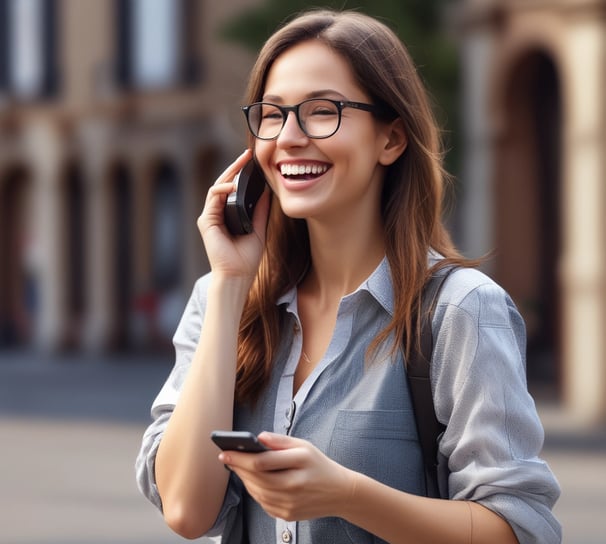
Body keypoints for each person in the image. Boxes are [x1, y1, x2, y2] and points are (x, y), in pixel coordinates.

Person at [136, 9, 561, 544]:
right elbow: (185, 509)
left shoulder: (461, 310)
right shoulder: (223, 298)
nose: (288, 137)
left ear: (392, 140)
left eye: (322, 111)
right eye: (272, 114)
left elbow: (519, 528)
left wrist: (347, 495)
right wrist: (228, 284)